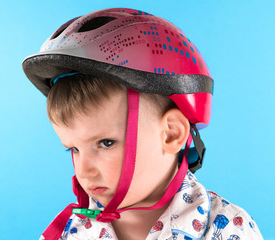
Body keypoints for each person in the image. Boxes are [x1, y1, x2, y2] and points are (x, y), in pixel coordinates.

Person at [22, 8, 263, 240]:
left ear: (171, 134)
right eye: (73, 148)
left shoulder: (229, 229)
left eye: (106, 143)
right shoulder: (69, 231)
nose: (84, 172)